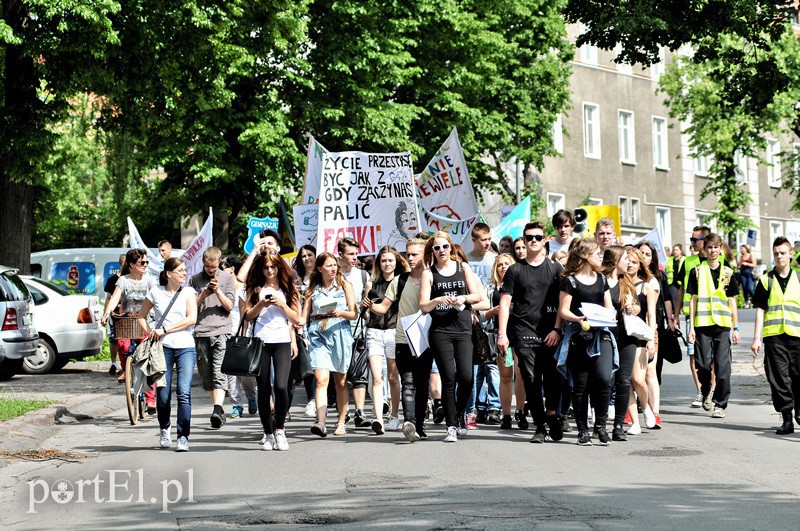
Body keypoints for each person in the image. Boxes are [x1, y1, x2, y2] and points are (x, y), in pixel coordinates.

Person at [497, 222, 565, 443]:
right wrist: (502, 334)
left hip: (550, 331)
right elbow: (505, 303)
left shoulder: (555, 269)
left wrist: (557, 328)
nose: (533, 241)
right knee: (530, 379)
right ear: (524, 241)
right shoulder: (515, 270)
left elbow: (563, 302)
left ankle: (553, 414)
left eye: (537, 237)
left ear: (544, 240)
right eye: (529, 237)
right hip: (523, 330)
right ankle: (540, 425)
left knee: (553, 378)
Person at [420, 232, 484, 442]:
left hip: (463, 328)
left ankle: (459, 414)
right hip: (440, 331)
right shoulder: (428, 273)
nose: (441, 251)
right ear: (432, 251)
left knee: (466, 376)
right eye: (436, 248)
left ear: (451, 248)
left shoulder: (462, 268)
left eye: (445, 247)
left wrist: (463, 298)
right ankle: (451, 426)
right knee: (448, 378)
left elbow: (477, 296)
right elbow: (423, 306)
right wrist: (438, 299)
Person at [368, 238, 432, 442]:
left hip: (426, 339)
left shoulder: (431, 278)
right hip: (403, 339)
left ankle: (419, 425)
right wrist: (369, 304)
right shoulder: (399, 281)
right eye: (408, 254)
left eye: (414, 254)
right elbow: (383, 307)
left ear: (424, 255)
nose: (409, 258)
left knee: (422, 384)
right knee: (408, 382)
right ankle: (409, 423)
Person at [557, 239, 618, 446]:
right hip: (579, 337)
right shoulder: (570, 281)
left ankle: (600, 426)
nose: (601, 256)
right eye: (597, 253)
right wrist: (578, 319)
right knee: (580, 386)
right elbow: (563, 310)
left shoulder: (602, 279)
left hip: (602, 335)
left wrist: (610, 316)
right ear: (585, 256)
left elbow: (609, 307)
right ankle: (583, 430)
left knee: (603, 379)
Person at [137, 257, 197, 452]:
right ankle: (164, 428)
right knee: (162, 395)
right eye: (180, 270)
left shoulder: (188, 292)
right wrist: (151, 333)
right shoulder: (155, 292)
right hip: (162, 349)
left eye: (185, 270)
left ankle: (183, 437)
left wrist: (165, 329)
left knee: (184, 392)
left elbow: (191, 319)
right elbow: (141, 316)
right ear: (168, 273)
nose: (184, 273)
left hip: (186, 346)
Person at [243, 251, 301, 451]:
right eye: (266, 267)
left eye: (273, 267)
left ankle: (280, 430)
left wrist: (282, 304)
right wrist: (261, 303)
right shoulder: (256, 287)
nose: (269, 271)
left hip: (282, 341)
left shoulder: (287, 287)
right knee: (264, 388)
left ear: (279, 268)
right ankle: (267, 432)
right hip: (261, 342)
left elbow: (297, 319)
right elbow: (248, 316)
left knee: (281, 386)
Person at [301, 252, 357, 437]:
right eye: (329, 265)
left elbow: (353, 314)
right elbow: (303, 317)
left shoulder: (344, 285)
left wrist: (339, 312)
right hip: (318, 335)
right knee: (321, 380)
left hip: (340, 333)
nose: (333, 268)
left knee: (340, 381)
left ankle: (341, 422)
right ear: (319, 268)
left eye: (335, 265)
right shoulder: (312, 289)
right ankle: (321, 422)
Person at [687, 233, 740, 419]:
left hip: (723, 326)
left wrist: (737, 327)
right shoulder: (697, 271)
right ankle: (706, 389)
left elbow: (732, 300)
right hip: (702, 325)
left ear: (720, 248)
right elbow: (692, 300)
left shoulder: (727, 272)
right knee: (702, 365)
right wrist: (691, 328)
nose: (712, 250)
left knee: (723, 367)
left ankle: (720, 404)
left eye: (716, 247)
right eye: (709, 247)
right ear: (705, 249)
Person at [751, 237, 800, 434]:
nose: (779, 256)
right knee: (778, 378)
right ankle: (787, 418)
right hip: (774, 337)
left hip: (797, 336)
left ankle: (799, 412)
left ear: (791, 254)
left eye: (782, 253)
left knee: (798, 376)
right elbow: (761, 310)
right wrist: (756, 338)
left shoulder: (799, 279)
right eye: (776, 253)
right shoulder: (766, 280)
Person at [359, 246, 410, 433]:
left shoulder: (402, 282)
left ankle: (394, 415)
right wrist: (364, 307)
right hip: (374, 331)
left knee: (392, 377)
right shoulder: (371, 284)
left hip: (394, 331)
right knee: (376, 377)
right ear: (378, 263)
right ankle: (378, 418)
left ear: (396, 262)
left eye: (390, 260)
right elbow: (364, 315)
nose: (387, 264)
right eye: (383, 261)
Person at [101, 249, 158, 407]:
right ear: (132, 265)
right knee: (122, 345)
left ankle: (151, 399)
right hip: (128, 321)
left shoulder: (150, 280)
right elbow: (115, 299)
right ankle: (126, 369)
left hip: (146, 321)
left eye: (146, 262)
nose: (145, 265)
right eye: (142, 262)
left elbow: (156, 297)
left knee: (147, 358)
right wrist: (106, 313)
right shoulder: (123, 281)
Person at [188, 247, 236, 429]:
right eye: (208, 267)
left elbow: (230, 306)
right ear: (203, 262)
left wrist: (218, 292)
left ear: (219, 263)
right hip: (201, 331)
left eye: (214, 267)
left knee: (218, 371)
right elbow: (191, 307)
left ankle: (217, 408)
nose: (211, 270)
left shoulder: (227, 278)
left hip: (221, 330)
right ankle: (218, 409)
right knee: (206, 374)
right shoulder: (195, 280)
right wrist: (203, 294)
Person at [483, 254, 528, 430]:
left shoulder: (521, 283)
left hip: (520, 334)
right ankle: (506, 415)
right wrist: (493, 311)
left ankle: (521, 411)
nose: (503, 267)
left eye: (507, 264)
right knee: (506, 375)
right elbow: (483, 315)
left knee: (521, 374)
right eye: (500, 264)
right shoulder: (491, 288)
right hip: (502, 336)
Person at [600, 246, 639, 441]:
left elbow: (637, 305)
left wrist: (635, 309)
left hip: (626, 337)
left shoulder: (627, 282)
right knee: (607, 381)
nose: (629, 263)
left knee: (624, 381)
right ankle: (601, 423)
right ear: (615, 261)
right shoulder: (600, 281)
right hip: (606, 337)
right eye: (626, 259)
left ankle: (618, 427)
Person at [465, 223, 501, 426]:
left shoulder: (494, 259)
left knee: (493, 366)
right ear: (474, 240)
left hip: (492, 315)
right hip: (473, 317)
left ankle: (493, 406)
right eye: (483, 240)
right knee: (477, 367)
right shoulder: (467, 261)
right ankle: (478, 406)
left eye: (489, 239)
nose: (487, 243)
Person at [673, 225, 712, 407]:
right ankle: (700, 391)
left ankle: (710, 391)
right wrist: (676, 314)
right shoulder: (687, 262)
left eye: (694, 240)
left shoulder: (718, 259)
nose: (691, 243)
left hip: (713, 316)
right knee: (693, 355)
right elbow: (681, 289)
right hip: (692, 315)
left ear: (704, 241)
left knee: (712, 358)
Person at [638, 240, 673, 425]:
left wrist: (670, 319)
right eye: (641, 253)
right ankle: (637, 405)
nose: (644, 256)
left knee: (652, 370)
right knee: (636, 372)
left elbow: (666, 299)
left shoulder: (658, 277)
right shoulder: (629, 277)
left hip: (654, 325)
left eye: (647, 254)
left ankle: (655, 411)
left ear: (653, 257)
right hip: (633, 328)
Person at [625, 247, 658, 434]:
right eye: (627, 260)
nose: (629, 264)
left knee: (638, 378)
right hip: (621, 336)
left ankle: (646, 408)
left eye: (634, 262)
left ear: (640, 266)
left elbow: (651, 315)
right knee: (625, 381)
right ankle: (635, 423)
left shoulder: (646, 287)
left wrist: (651, 339)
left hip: (639, 337)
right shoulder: (618, 285)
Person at [338, 237, 370, 427]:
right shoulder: (334, 274)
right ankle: (345, 411)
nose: (355, 258)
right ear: (340, 254)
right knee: (341, 375)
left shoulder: (363, 275)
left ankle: (360, 412)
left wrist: (365, 306)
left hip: (358, 329)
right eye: (350, 254)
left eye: (356, 254)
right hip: (337, 330)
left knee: (360, 372)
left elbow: (366, 302)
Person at [221, 255, 257, 419]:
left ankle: (251, 397)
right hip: (225, 332)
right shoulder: (221, 286)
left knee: (244, 371)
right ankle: (236, 404)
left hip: (242, 331)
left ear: (232, 269)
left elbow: (246, 312)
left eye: (223, 267)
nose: (220, 270)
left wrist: (244, 331)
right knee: (229, 371)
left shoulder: (243, 288)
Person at [293, 244, 317, 418]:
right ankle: (312, 399)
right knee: (308, 363)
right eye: (303, 256)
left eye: (310, 254)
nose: (307, 258)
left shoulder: (323, 276)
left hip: (321, 321)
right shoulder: (297, 279)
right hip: (303, 323)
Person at [102, 253, 126, 375]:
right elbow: (108, 297)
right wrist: (105, 313)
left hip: (126, 313)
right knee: (114, 339)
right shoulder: (112, 280)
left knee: (125, 340)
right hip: (114, 313)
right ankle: (113, 363)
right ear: (123, 263)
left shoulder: (129, 279)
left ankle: (125, 365)